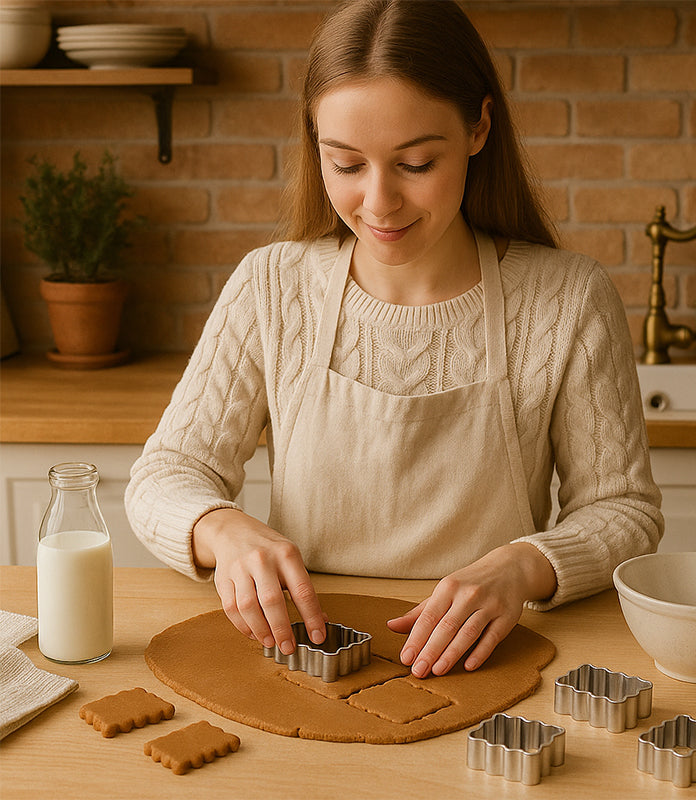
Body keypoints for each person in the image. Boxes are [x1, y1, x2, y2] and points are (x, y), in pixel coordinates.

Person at [125, 0, 663, 680]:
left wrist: (525, 566)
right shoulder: (271, 286)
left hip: (485, 666)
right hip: (302, 664)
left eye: (415, 163)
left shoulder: (568, 298)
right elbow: (165, 473)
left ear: (478, 129)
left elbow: (625, 511)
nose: (379, 202)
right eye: (346, 164)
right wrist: (220, 530)